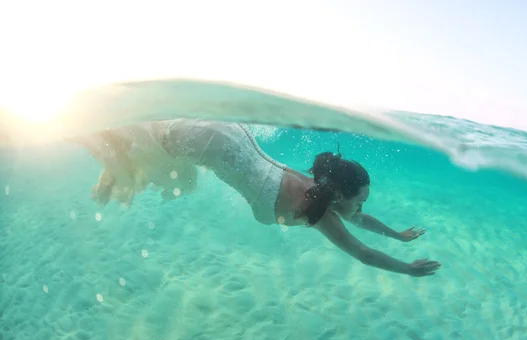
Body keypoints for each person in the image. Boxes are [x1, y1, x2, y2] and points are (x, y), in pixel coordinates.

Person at [75, 118, 441, 277]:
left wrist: (399, 235)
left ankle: (113, 152)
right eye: (359, 199)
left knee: (162, 158)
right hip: (215, 143)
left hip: (229, 137)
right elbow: (363, 252)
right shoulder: (319, 214)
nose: (360, 208)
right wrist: (407, 268)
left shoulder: (318, 192)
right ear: (339, 195)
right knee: (151, 160)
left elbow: (359, 219)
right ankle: (85, 134)